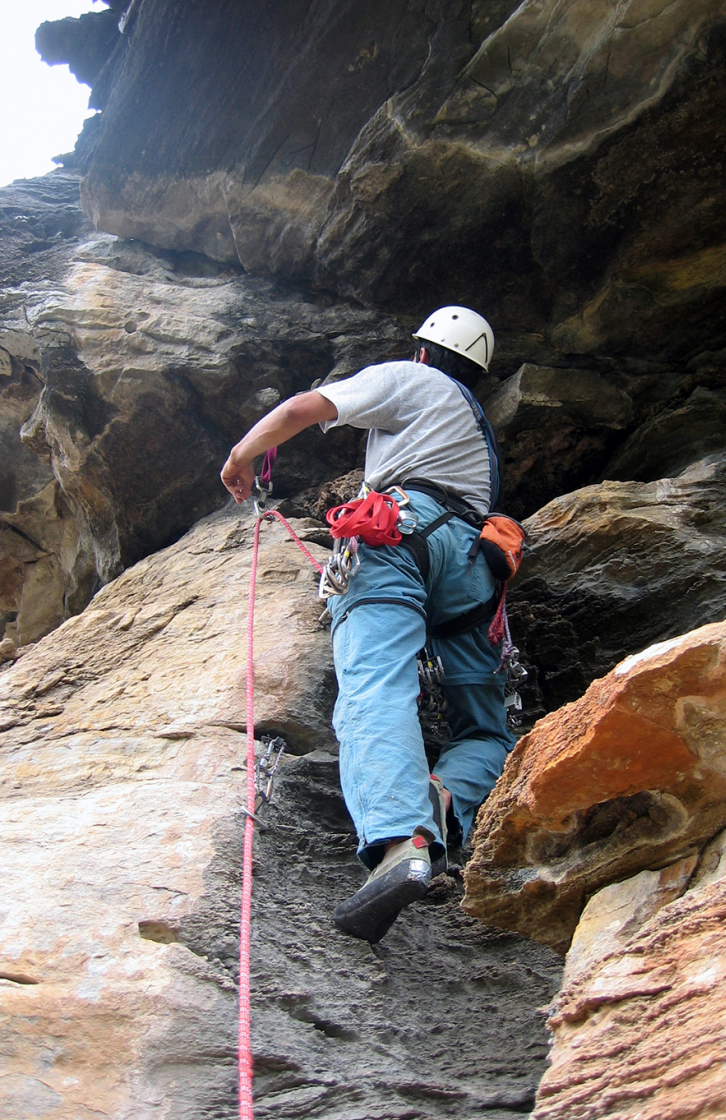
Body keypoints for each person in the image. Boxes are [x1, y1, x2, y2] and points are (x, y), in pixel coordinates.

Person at [221, 306, 516, 942]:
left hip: (398, 533)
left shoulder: (412, 381)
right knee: (489, 730)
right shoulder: (476, 434)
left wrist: (243, 455)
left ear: (422, 353)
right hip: (472, 565)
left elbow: (306, 407)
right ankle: (438, 804)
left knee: (377, 685)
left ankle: (400, 841)